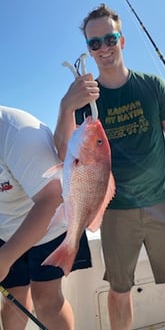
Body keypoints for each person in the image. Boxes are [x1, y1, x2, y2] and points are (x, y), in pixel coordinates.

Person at [54, 4, 165, 330]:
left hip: (164, 202)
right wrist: (67, 104)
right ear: (89, 51)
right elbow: (65, 152)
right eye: (95, 43)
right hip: (115, 210)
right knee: (119, 290)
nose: (103, 48)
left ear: (122, 40)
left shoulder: (152, 86)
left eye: (110, 38)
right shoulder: (84, 99)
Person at [0, 105, 92, 330]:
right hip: (6, 225)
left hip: (49, 222)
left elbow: (52, 200)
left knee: (46, 300)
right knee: (12, 300)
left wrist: (3, 259)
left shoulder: (18, 130)